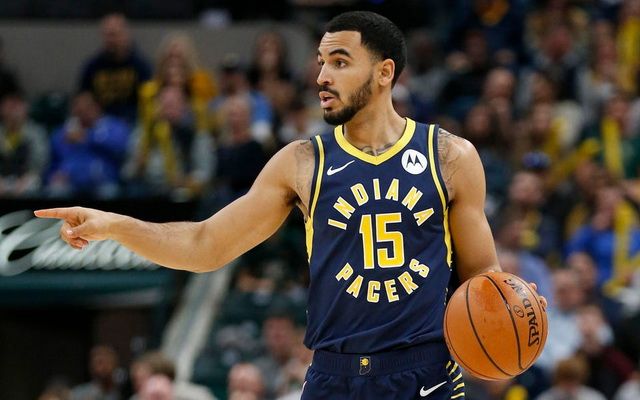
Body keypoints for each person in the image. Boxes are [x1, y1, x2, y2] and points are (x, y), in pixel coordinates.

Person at [36, 11, 546, 400]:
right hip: (333, 376)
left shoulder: (449, 156)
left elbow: (483, 280)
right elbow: (206, 244)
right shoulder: (301, 162)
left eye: (339, 62)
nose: (322, 75)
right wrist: (117, 225)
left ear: (385, 72)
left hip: (424, 373)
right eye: (321, 62)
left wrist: (516, 304)